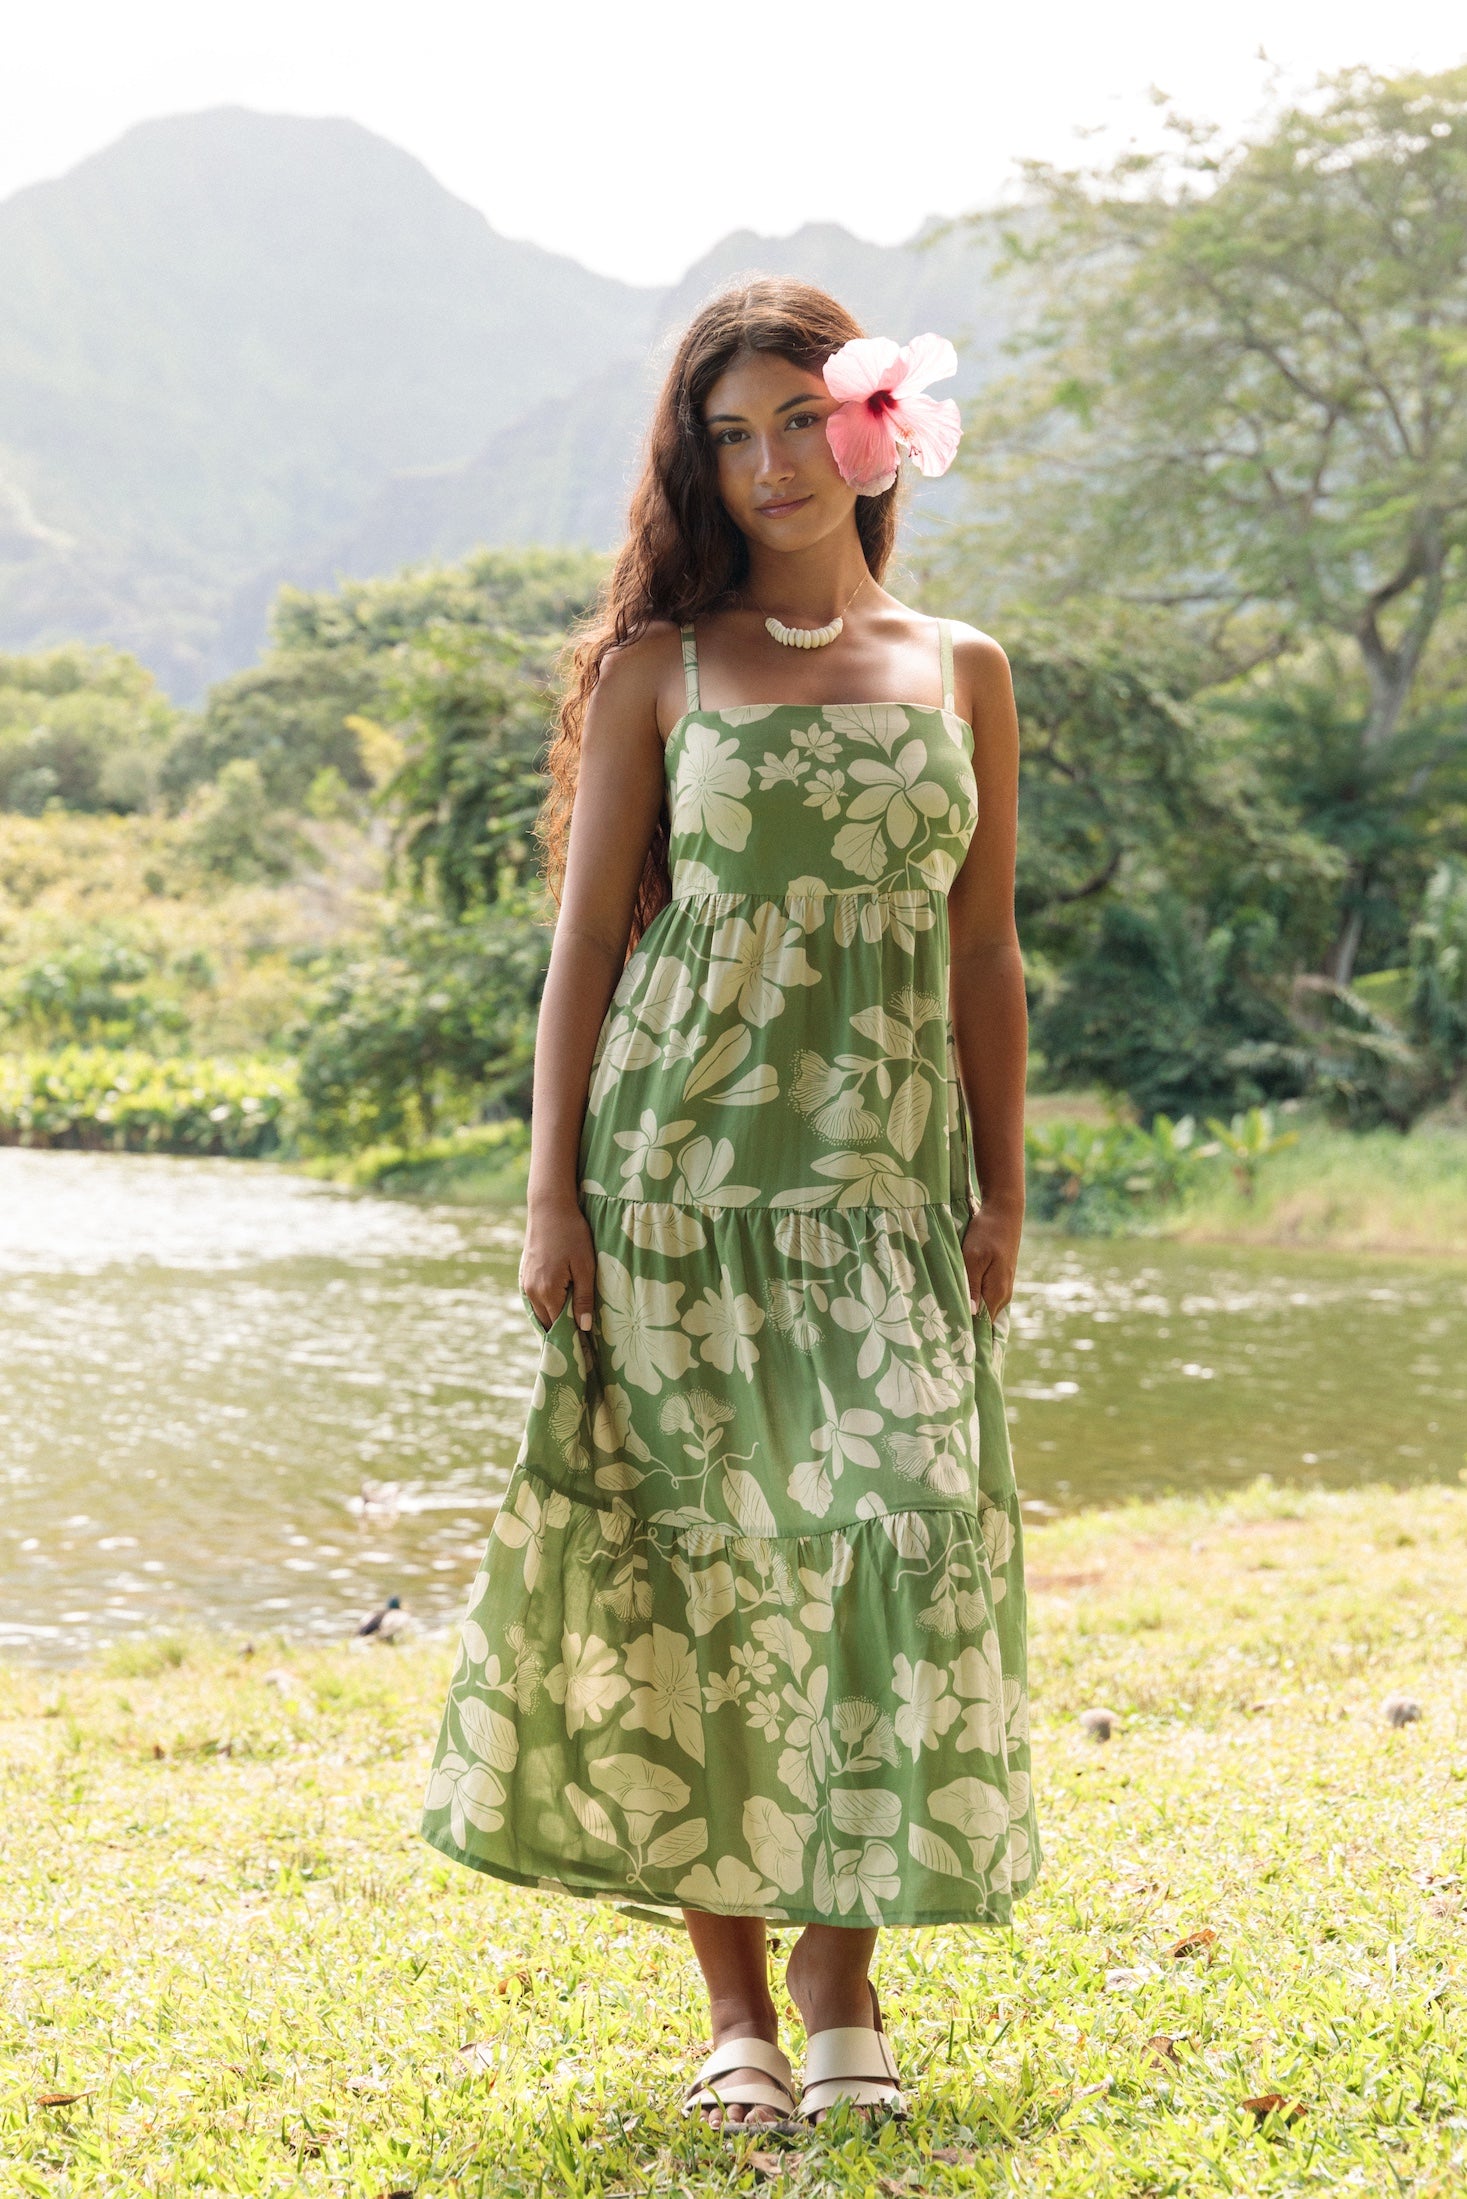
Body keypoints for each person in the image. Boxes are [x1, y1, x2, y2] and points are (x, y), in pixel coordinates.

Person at [422, 278, 1038, 2133]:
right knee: (709, 1580)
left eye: (797, 419)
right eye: (729, 435)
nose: (768, 463)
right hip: (676, 1182)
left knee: (880, 1546)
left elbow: (987, 949)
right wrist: (554, 1203)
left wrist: (1006, 1187)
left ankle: (848, 1979)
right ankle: (742, 2011)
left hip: (882, 1201)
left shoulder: (963, 670)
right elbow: (588, 949)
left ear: (876, 432)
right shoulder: (660, 670)